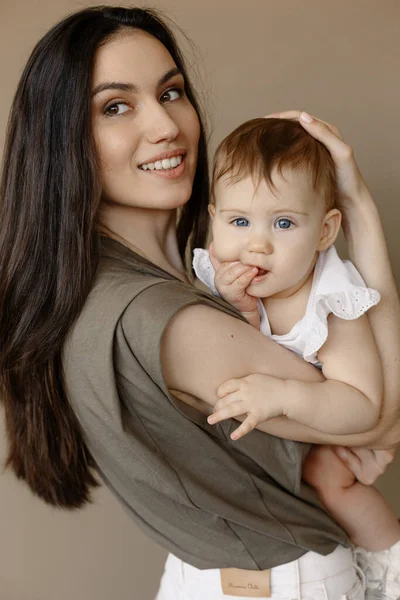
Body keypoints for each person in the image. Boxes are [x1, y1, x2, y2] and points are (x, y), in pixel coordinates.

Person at [0, 6, 399, 600]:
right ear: (63, 142)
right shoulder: (164, 317)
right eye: (115, 106)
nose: (166, 125)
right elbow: (378, 414)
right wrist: (360, 210)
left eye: (171, 91)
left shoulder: (157, 287)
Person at [193, 117, 400, 597]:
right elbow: (245, 353)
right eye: (238, 221)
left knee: (330, 480)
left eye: (283, 222)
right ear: (214, 218)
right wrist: (239, 309)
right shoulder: (222, 276)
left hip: (337, 433)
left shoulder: (330, 303)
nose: (257, 243)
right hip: (276, 453)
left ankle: (389, 562)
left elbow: (362, 403)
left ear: (326, 231)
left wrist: (282, 394)